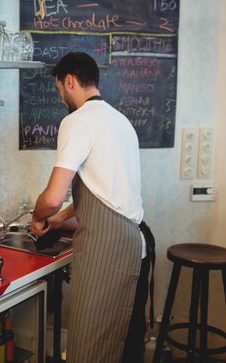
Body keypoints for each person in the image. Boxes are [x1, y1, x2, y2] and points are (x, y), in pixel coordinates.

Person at [30, 52, 154, 363]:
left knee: (91, 346)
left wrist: (39, 215)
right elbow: (104, 187)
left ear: (69, 81)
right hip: (135, 243)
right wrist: (61, 218)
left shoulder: (77, 121)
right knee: (124, 343)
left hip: (108, 248)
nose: (62, 98)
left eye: (60, 89)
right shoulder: (120, 121)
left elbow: (52, 197)